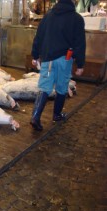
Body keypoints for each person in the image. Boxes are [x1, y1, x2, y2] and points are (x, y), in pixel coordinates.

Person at [30, 0, 86, 131]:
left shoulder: (48, 15)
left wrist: (35, 55)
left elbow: (38, 36)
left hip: (48, 59)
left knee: (44, 87)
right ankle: (57, 115)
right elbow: (80, 43)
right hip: (64, 60)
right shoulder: (76, 18)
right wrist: (80, 64)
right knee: (62, 86)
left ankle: (35, 117)